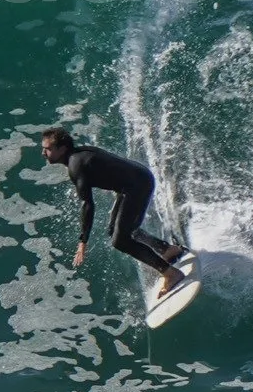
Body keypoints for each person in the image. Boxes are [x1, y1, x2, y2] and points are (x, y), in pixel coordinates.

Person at [41, 127, 192, 298]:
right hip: (136, 181)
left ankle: (170, 273)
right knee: (116, 230)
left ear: (62, 149)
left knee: (120, 240)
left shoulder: (76, 165)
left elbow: (87, 204)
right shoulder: (79, 155)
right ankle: (167, 250)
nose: (43, 153)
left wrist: (83, 241)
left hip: (136, 186)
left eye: (47, 149)